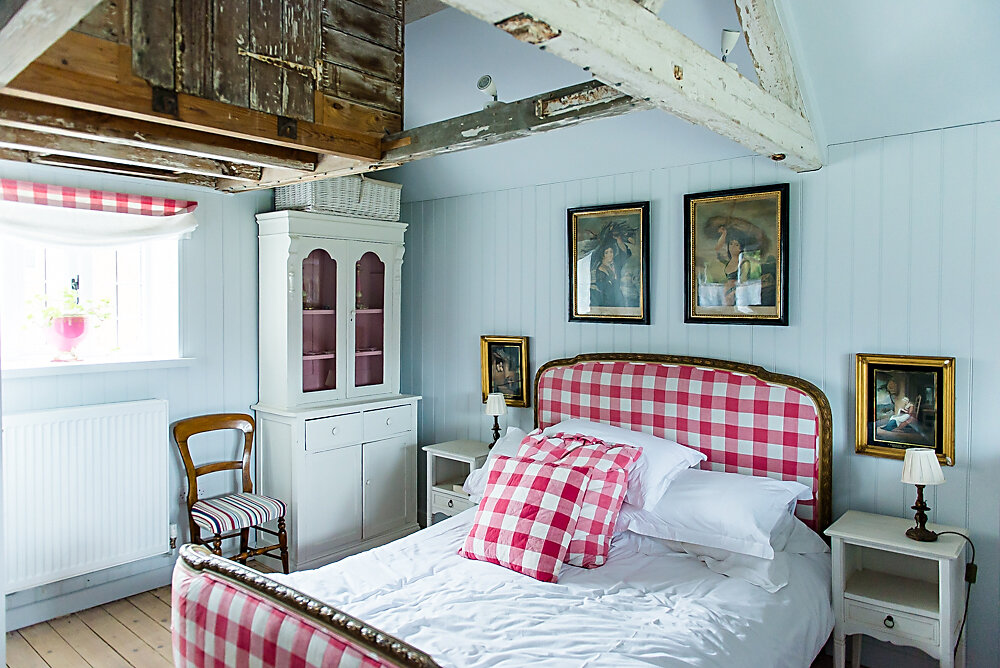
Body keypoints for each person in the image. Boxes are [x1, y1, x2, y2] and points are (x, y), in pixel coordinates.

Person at [714, 227, 751, 306]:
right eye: (731, 244)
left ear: (741, 248)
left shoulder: (744, 263)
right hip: (726, 296)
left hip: (737, 297)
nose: (732, 247)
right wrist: (724, 235)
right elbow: (717, 250)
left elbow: (743, 284)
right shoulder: (727, 262)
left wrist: (731, 294)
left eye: (736, 245)